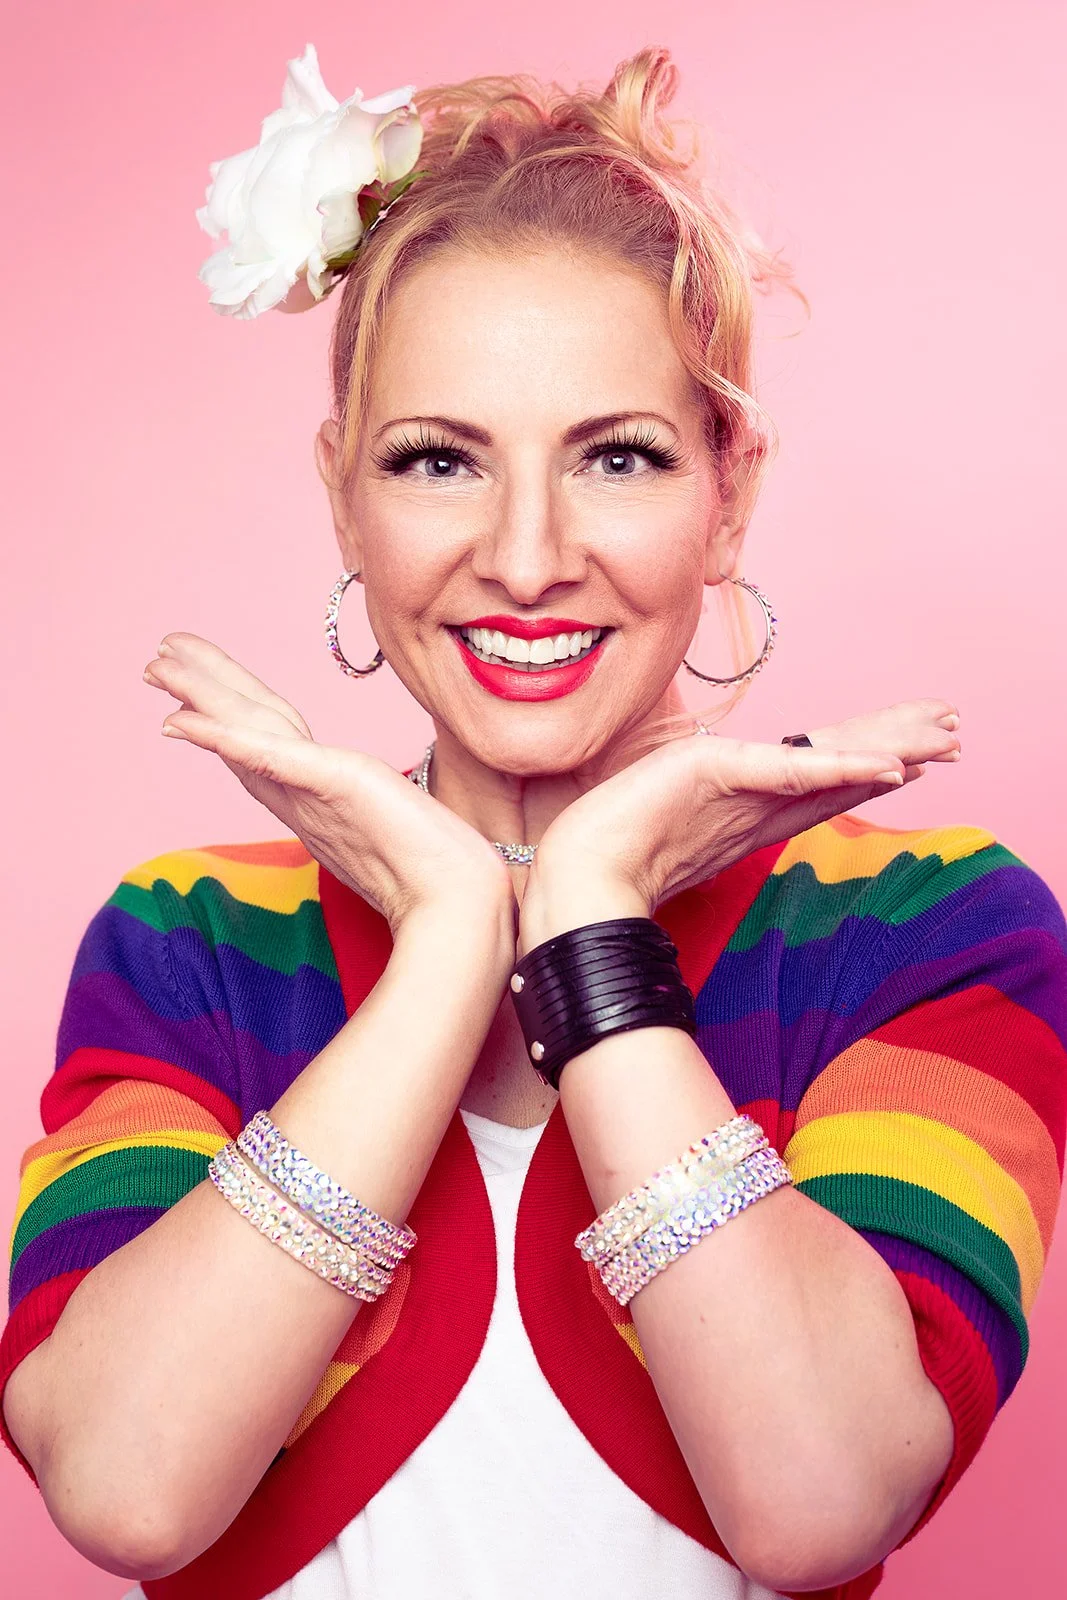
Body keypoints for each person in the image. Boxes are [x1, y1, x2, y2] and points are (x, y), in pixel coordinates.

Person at [2, 43, 1065, 1600]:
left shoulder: (925, 927)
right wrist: (444, 946)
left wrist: (589, 925)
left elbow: (824, 1496)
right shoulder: (192, 941)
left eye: (617, 458)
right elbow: (125, 1488)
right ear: (341, 497)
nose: (523, 556)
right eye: (436, 460)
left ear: (730, 489)